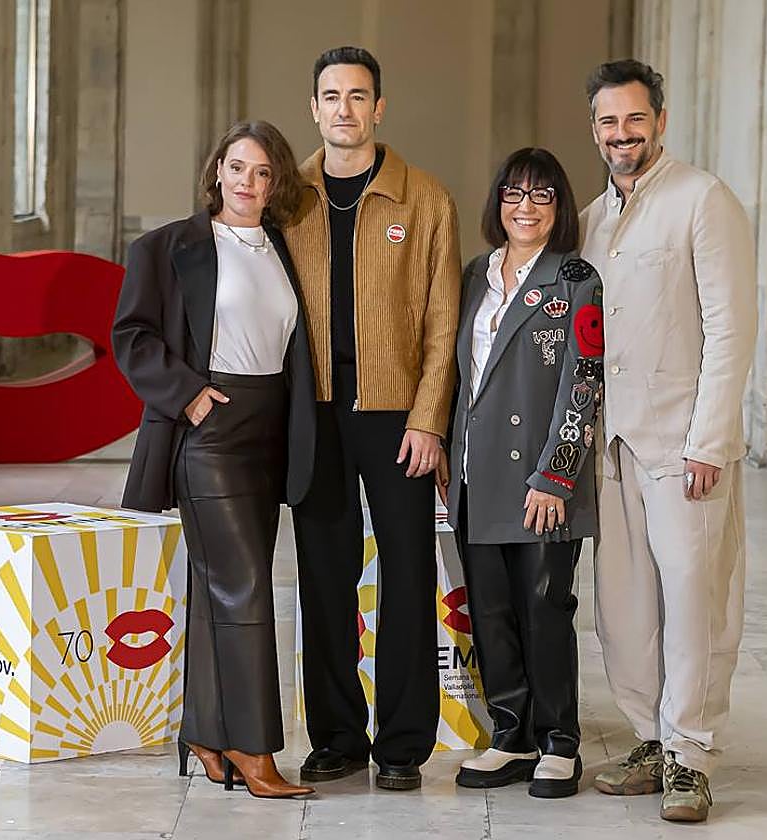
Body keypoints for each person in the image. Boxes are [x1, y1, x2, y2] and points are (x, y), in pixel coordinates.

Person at [112, 121, 317, 799]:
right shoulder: (168, 247)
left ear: (276, 182)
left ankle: (205, 732)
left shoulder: (286, 248)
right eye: (237, 167)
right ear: (217, 171)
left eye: (262, 172)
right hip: (211, 432)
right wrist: (190, 396)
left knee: (219, 587)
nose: (247, 183)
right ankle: (254, 751)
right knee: (247, 586)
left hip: (271, 431)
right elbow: (132, 336)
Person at [579, 59, 757, 822]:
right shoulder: (590, 218)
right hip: (612, 446)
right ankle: (651, 739)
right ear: (594, 129)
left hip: (684, 444)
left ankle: (691, 755)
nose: (622, 134)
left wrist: (709, 440)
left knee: (693, 603)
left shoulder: (703, 200)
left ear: (660, 120)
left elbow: (731, 329)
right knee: (624, 609)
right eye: (608, 122)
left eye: (634, 119)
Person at [282, 46, 461, 791]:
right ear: (314, 108)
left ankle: (403, 745)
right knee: (324, 576)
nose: (344, 110)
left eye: (358, 97)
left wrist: (429, 419)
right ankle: (336, 737)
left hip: (397, 416)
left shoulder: (425, 199)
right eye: (331, 97)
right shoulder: (287, 198)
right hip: (315, 414)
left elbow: (444, 323)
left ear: (379, 108)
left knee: (409, 575)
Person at [440, 148, 602, 799]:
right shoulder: (474, 275)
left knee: (543, 609)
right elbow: (461, 376)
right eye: (513, 193)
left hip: (541, 479)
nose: (525, 207)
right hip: (476, 474)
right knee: (491, 612)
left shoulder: (576, 278)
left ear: (559, 206)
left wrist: (556, 475)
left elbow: (583, 383)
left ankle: (559, 741)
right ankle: (511, 736)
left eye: (541, 195)